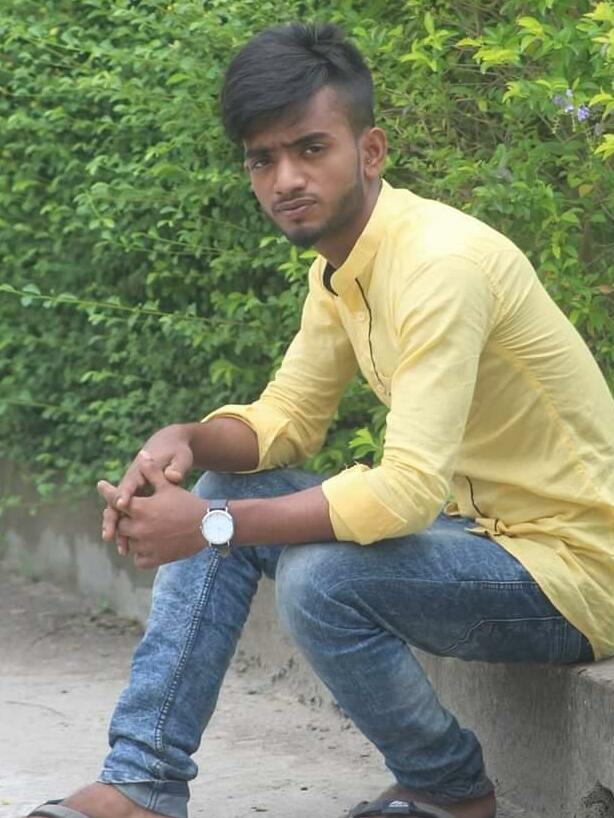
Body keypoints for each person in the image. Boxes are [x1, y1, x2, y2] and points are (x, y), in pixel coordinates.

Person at [28, 20, 614, 818]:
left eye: (310, 148)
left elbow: (406, 492)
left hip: (577, 570)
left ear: (370, 152)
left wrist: (209, 528)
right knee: (227, 479)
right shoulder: (342, 270)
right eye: (262, 159)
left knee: (319, 578)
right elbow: (287, 421)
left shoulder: (438, 265)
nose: (286, 179)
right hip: (483, 536)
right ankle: (142, 781)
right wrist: (187, 439)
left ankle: (447, 790)